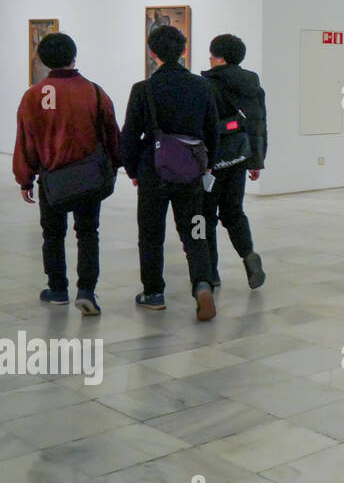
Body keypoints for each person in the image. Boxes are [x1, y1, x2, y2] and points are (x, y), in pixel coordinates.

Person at [12, 33, 122, 316]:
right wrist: (116, 165)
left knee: (52, 233)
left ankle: (58, 288)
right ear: (74, 55)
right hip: (88, 176)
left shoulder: (33, 95)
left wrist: (25, 178)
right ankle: (86, 290)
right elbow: (111, 133)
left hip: (52, 179)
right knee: (88, 233)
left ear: (44, 60)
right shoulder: (94, 92)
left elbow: (26, 140)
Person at [121, 25, 220, 321]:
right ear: (184, 51)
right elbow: (213, 131)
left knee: (151, 233)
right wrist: (208, 163)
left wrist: (132, 169)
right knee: (196, 231)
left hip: (154, 169)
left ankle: (153, 293)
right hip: (190, 170)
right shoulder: (202, 86)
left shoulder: (144, 89)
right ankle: (202, 283)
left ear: (152, 53)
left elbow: (129, 135)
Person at [201, 34, 267, 291]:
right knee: (233, 211)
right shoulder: (252, 85)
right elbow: (259, 125)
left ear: (219, 57)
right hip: (239, 158)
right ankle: (249, 256)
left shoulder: (207, 85)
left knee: (206, 216)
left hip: (212, 163)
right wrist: (256, 162)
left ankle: (211, 273)